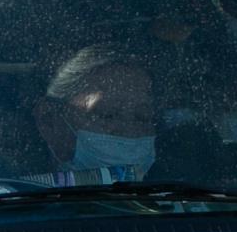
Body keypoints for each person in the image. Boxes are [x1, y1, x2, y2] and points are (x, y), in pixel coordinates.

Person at [29, 44, 157, 186]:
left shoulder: (178, 202)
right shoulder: (6, 195)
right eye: (107, 115)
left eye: (142, 117)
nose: (129, 131)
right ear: (48, 121)